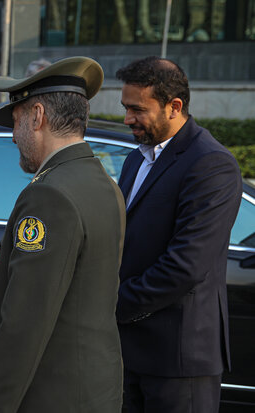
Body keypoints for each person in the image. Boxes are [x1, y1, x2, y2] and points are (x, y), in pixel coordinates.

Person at [0, 57, 125, 412]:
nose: (13, 136)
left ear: (38, 116)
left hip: (52, 395)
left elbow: (23, 328)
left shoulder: (49, 194)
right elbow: (63, 271)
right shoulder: (103, 184)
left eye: (15, 122)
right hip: (91, 390)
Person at [115, 56, 242, 412]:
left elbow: (185, 265)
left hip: (178, 360)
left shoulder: (211, 164)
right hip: (127, 354)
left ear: (174, 106)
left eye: (137, 109)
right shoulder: (136, 158)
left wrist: (113, 303)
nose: (128, 119)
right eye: (125, 108)